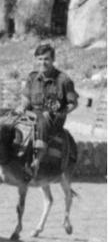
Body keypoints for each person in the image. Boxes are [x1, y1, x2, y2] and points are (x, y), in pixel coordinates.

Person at [18, 43, 79, 178]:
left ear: (53, 60)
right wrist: (22, 107)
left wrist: (62, 112)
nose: (43, 62)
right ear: (35, 60)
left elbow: (73, 103)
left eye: (46, 59)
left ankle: (37, 161)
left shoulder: (64, 80)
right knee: (6, 117)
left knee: (43, 116)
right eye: (40, 59)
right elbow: (26, 97)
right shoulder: (32, 77)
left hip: (53, 118)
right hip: (32, 114)